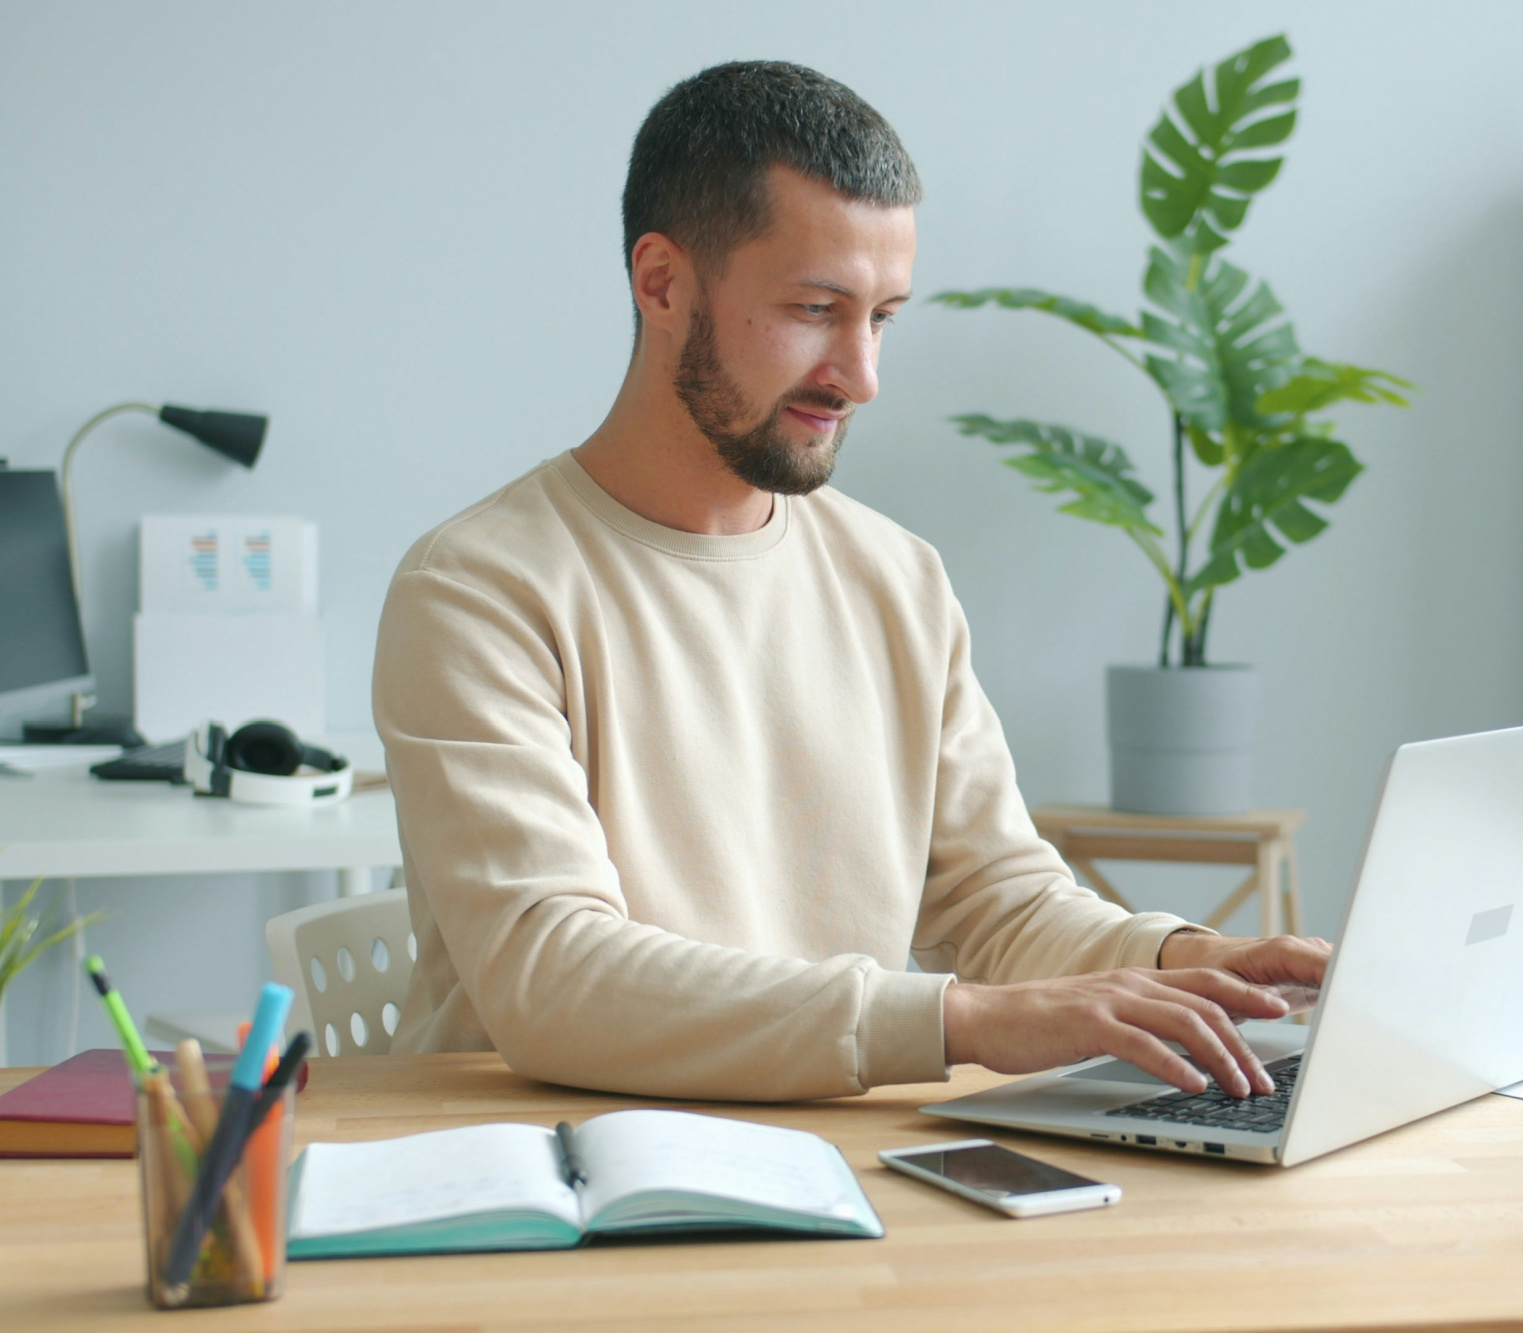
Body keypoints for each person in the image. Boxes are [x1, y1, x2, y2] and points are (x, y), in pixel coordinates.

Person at [375, 60, 1330, 1102]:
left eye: (880, 317)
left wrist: (1179, 961)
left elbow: (995, 901)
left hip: (826, 1161)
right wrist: (960, 1020)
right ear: (661, 283)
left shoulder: (894, 577)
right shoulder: (476, 588)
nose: (860, 374)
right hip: (559, 1180)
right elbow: (552, 974)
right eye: (815, 308)